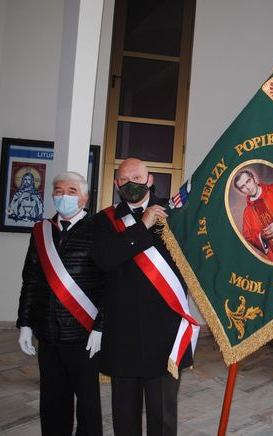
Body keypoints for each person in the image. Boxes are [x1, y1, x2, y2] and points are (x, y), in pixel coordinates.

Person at [92, 157, 198, 436]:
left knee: (162, 414)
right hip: (122, 332)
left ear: (150, 180)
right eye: (124, 180)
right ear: (116, 184)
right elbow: (104, 259)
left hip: (164, 332)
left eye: (137, 179)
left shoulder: (175, 214)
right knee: (124, 414)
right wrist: (142, 226)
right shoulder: (104, 221)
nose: (131, 185)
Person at [16, 171, 104, 436]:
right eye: (58, 190)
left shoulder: (99, 230)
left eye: (71, 191)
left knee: (88, 405)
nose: (63, 196)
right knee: (52, 401)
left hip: (83, 334)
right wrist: (25, 324)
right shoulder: (42, 231)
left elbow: (109, 285)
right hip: (49, 332)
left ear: (85, 197)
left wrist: (101, 326)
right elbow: (30, 279)